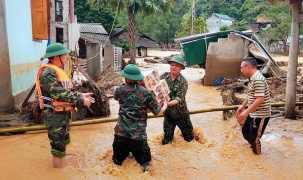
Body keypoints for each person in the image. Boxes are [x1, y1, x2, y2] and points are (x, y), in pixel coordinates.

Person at [36, 43, 95, 168]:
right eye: (64, 55)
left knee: (63, 143)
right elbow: (58, 94)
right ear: (56, 57)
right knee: (57, 149)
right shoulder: (47, 73)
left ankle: (62, 167)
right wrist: (81, 101)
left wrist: (81, 95)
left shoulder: (58, 71)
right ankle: (57, 173)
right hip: (54, 116)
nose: (66, 58)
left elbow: (68, 91)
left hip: (63, 115)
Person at [113, 64, 167, 172]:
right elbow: (157, 112)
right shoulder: (146, 93)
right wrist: (165, 105)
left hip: (120, 134)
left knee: (116, 164)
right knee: (146, 165)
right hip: (138, 137)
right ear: (138, 78)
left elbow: (119, 99)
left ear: (126, 77)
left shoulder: (119, 89)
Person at [236, 57, 271, 155]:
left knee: (255, 139)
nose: (241, 70)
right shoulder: (252, 79)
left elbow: (260, 99)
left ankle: (258, 158)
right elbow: (251, 94)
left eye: (241, 68)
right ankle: (252, 147)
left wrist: (246, 112)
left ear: (248, 67)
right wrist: (243, 106)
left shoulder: (258, 79)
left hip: (261, 114)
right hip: (253, 112)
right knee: (245, 131)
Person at [160, 55, 196, 145]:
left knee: (190, 139)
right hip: (168, 114)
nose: (173, 67)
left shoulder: (183, 82)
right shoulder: (164, 76)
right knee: (166, 141)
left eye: (176, 66)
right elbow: (155, 87)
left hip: (181, 114)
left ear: (181, 68)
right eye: (172, 65)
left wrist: (166, 104)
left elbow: (178, 99)